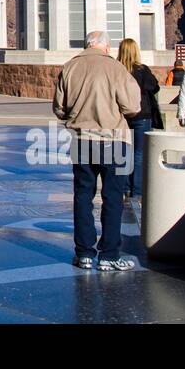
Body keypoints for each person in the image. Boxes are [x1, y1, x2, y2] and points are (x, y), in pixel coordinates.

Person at [53, 30, 141, 271]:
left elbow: (59, 108)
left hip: (81, 140)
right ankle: (109, 255)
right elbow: (132, 107)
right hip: (113, 140)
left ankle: (83, 253)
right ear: (106, 47)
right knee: (112, 198)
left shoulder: (69, 67)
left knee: (83, 197)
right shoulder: (116, 69)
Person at [117, 38, 162, 199]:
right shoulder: (142, 70)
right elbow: (154, 86)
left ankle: (123, 188)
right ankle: (136, 191)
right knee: (139, 153)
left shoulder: (117, 69)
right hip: (142, 115)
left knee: (123, 152)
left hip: (121, 115)